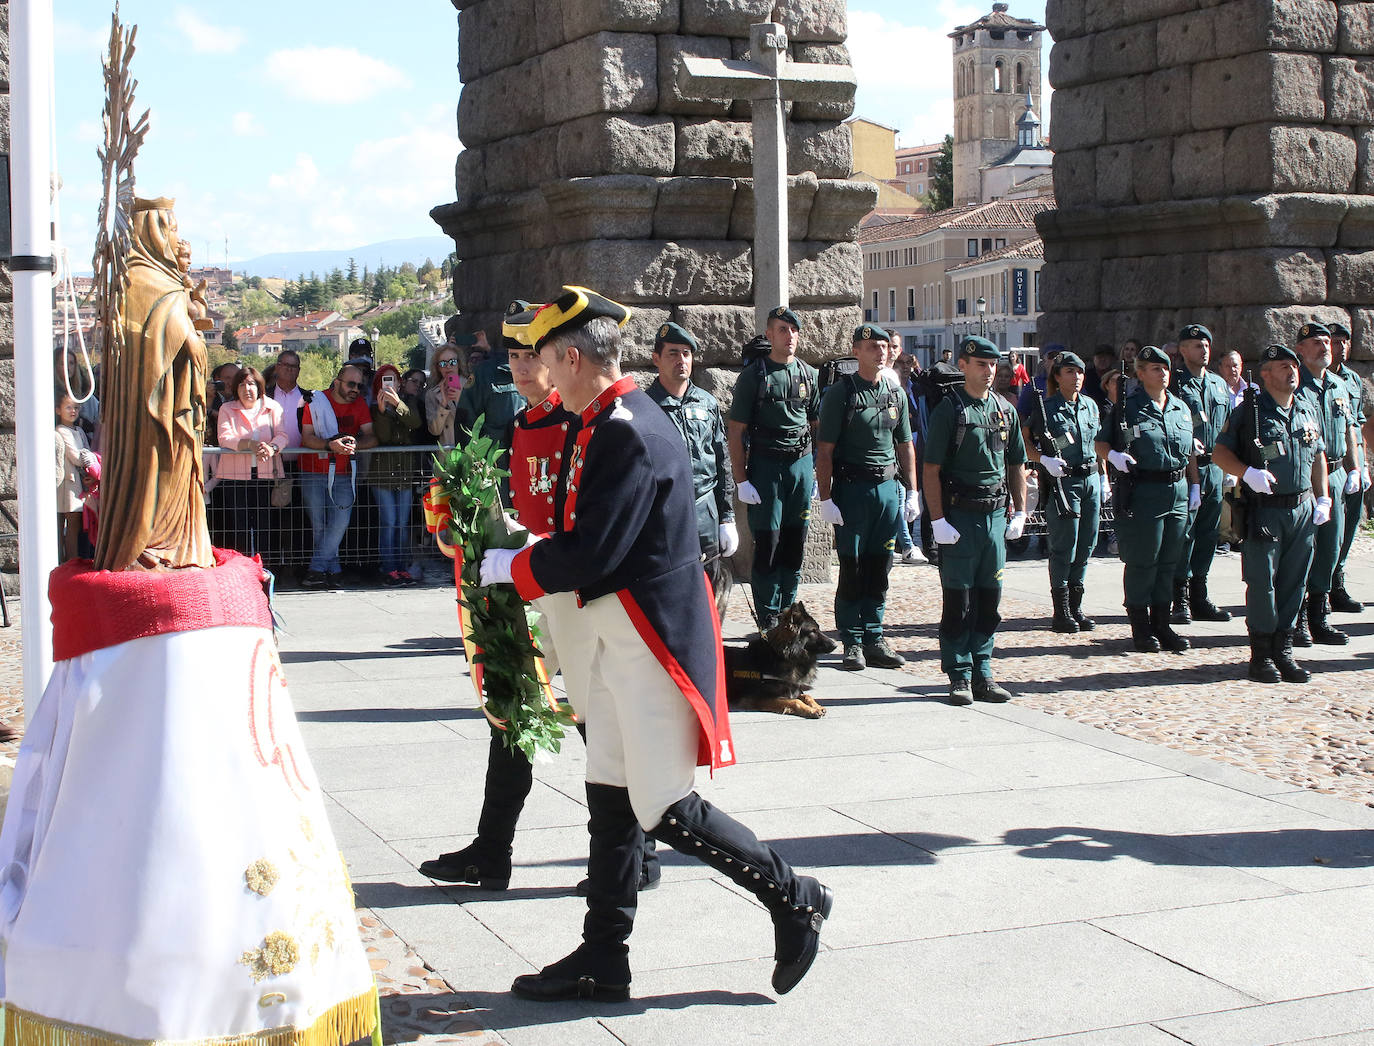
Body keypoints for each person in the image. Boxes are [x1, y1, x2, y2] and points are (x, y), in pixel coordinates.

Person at [480, 287, 831, 1002]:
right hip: (618, 641)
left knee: (663, 805)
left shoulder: (626, 430)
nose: (542, 370)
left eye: (547, 357)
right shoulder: (601, 421)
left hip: (650, 644)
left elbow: (594, 551)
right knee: (608, 792)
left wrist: (513, 566)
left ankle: (792, 894)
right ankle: (602, 956)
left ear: (573, 358)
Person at [420, 301, 662, 894]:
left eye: (535, 356)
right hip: (534, 584)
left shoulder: (578, 420)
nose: (525, 369)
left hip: (569, 583)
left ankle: (638, 851)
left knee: (591, 719)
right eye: (516, 357)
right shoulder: (526, 422)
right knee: (515, 711)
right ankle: (491, 848)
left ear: (563, 361)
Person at [94, 197, 214, 572]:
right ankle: (152, 544)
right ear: (154, 231)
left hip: (171, 406)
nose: (177, 239)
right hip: (152, 414)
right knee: (154, 477)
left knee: (177, 477)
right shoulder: (141, 281)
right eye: (172, 228)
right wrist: (193, 339)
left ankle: (178, 545)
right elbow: (175, 339)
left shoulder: (158, 282)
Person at [1213, 344, 1331, 683]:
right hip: (1264, 511)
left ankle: (1284, 650)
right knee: (1263, 583)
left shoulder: (1307, 407)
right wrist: (1247, 472)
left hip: (1302, 507)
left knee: (1295, 582)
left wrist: (1323, 498)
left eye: (1293, 365)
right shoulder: (1250, 412)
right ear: (1265, 375)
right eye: (1282, 366)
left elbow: (1318, 455)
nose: (1291, 371)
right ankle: (1261, 654)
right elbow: (1221, 452)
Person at [923, 336, 1028, 706]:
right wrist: (937, 520)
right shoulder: (950, 411)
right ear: (963, 365)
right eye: (980, 364)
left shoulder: (1005, 410)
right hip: (960, 517)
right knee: (959, 600)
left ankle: (983, 670)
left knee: (989, 599)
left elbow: (1017, 462)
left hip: (995, 517)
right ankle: (959, 673)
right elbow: (931, 469)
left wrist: (1021, 509)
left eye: (993, 365)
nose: (988, 372)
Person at [816, 325, 919, 669]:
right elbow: (825, 450)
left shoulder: (896, 394)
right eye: (873, 346)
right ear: (856, 351)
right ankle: (852, 639)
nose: (881, 352)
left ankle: (874, 635)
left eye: (885, 347)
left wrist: (912, 492)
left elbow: (905, 445)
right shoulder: (841, 394)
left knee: (880, 566)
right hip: (853, 490)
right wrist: (826, 496)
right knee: (852, 565)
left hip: (887, 490)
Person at [1095, 345, 1198, 654]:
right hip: (1143, 491)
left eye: (1165, 368)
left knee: (1169, 560)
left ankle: (1161, 623)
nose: (1162, 373)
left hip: (1176, 489)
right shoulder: (1128, 407)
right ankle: (1141, 626)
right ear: (1140, 374)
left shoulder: (1180, 407)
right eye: (1155, 368)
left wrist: (1195, 485)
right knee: (1144, 560)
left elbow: (1189, 450)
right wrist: (1113, 456)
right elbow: (1101, 442)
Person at [727, 306, 821, 632]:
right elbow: (736, 430)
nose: (789, 336)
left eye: (793, 330)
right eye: (782, 330)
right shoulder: (754, 376)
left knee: (795, 543)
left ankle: (788, 610)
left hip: (800, 466)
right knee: (768, 542)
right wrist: (741, 480)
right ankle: (768, 613)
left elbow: (816, 426)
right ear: (769, 334)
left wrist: (820, 476)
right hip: (767, 468)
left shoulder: (809, 375)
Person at [646, 322, 740, 594]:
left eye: (686, 354)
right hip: (665, 517)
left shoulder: (706, 403)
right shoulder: (645, 406)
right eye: (673, 353)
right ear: (656, 359)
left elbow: (721, 463)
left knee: (709, 595)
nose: (681, 360)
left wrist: (727, 518)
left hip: (705, 515)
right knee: (671, 595)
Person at [1021, 351, 1102, 633]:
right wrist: (1043, 460)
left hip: (1090, 480)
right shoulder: (1047, 408)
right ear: (1057, 376)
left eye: (1079, 372)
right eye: (1069, 372)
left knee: (1086, 544)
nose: (1076, 377)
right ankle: (1061, 610)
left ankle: (1076, 607)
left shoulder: (1091, 406)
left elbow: (1097, 443)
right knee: (1064, 545)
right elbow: (1025, 439)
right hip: (1063, 482)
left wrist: (1103, 477)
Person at [1294, 321, 1361, 645]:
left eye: (1326, 342)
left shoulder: (1338, 384)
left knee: (1330, 549)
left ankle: (1320, 616)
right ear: (1300, 350)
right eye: (1316, 343)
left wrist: (1355, 468)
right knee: (1304, 549)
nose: (1324, 347)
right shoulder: (1294, 386)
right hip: (1305, 478)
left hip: (1335, 473)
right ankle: (1297, 618)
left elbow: (1349, 429)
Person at [1168, 323, 1234, 624]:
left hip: (1214, 467)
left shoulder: (1220, 385)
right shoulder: (1176, 384)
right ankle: (1178, 596)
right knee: (1185, 534)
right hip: (1186, 470)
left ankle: (1200, 594)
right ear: (1183, 350)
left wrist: (1233, 465)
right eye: (1196, 345)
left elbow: (1228, 427)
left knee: (1209, 533)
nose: (1203, 349)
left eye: (1206, 344)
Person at [298, 363, 377, 588]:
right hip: (312, 471)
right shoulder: (315, 402)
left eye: (360, 386)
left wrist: (355, 445)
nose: (356, 389)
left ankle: (316, 569)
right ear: (337, 383)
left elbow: (372, 437)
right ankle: (333, 570)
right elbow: (307, 437)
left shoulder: (360, 404)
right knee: (320, 525)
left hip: (344, 473)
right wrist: (329, 445)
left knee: (340, 523)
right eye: (351, 384)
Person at [216, 366, 288, 562]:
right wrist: (249, 444)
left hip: (266, 477)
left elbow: (282, 435)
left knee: (267, 528)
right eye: (242, 384)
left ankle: (268, 571)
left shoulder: (273, 407)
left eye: (251, 384)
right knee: (239, 529)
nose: (247, 389)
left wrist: (272, 447)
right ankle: (240, 572)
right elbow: (225, 438)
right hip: (235, 478)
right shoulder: (227, 409)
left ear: (259, 387)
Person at [1326, 322, 1369, 614]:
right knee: (1326, 528)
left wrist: (1363, 466)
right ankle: (1318, 588)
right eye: (1334, 341)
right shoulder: (1315, 378)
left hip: (1351, 460)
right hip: (1327, 464)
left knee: (1349, 523)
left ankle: (1336, 579)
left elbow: (1357, 425)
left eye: (1344, 342)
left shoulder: (1353, 380)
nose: (1339, 347)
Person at [368, 363, 422, 586]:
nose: (390, 384)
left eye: (393, 380)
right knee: (389, 521)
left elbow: (415, 423)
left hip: (405, 474)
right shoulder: (374, 408)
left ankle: (402, 567)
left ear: (399, 384)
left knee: (402, 522)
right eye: (384, 380)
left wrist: (398, 404)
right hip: (382, 475)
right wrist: (382, 412)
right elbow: (383, 436)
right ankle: (389, 568)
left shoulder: (408, 402)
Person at [892, 351, 929, 564]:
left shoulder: (916, 389)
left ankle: (910, 542)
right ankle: (904, 543)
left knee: (915, 493)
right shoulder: (894, 387)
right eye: (901, 363)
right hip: (900, 446)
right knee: (902, 492)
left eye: (909, 363)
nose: (905, 367)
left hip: (918, 443)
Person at [55, 389, 95, 563]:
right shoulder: (62, 430)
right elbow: (76, 456)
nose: (73, 411)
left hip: (80, 483)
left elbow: (85, 452)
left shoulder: (78, 430)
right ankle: (70, 559)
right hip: (70, 485)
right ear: (58, 410)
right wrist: (89, 458)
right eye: (68, 407)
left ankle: (74, 558)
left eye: (76, 408)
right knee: (72, 523)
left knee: (77, 524)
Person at [426, 342, 465, 447]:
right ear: (438, 368)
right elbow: (435, 431)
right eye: (443, 363)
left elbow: (478, 422)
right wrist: (443, 404)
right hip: (447, 456)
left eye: (452, 362)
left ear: (459, 364)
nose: (448, 367)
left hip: (470, 451)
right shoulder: (432, 394)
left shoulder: (470, 387)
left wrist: (460, 399)